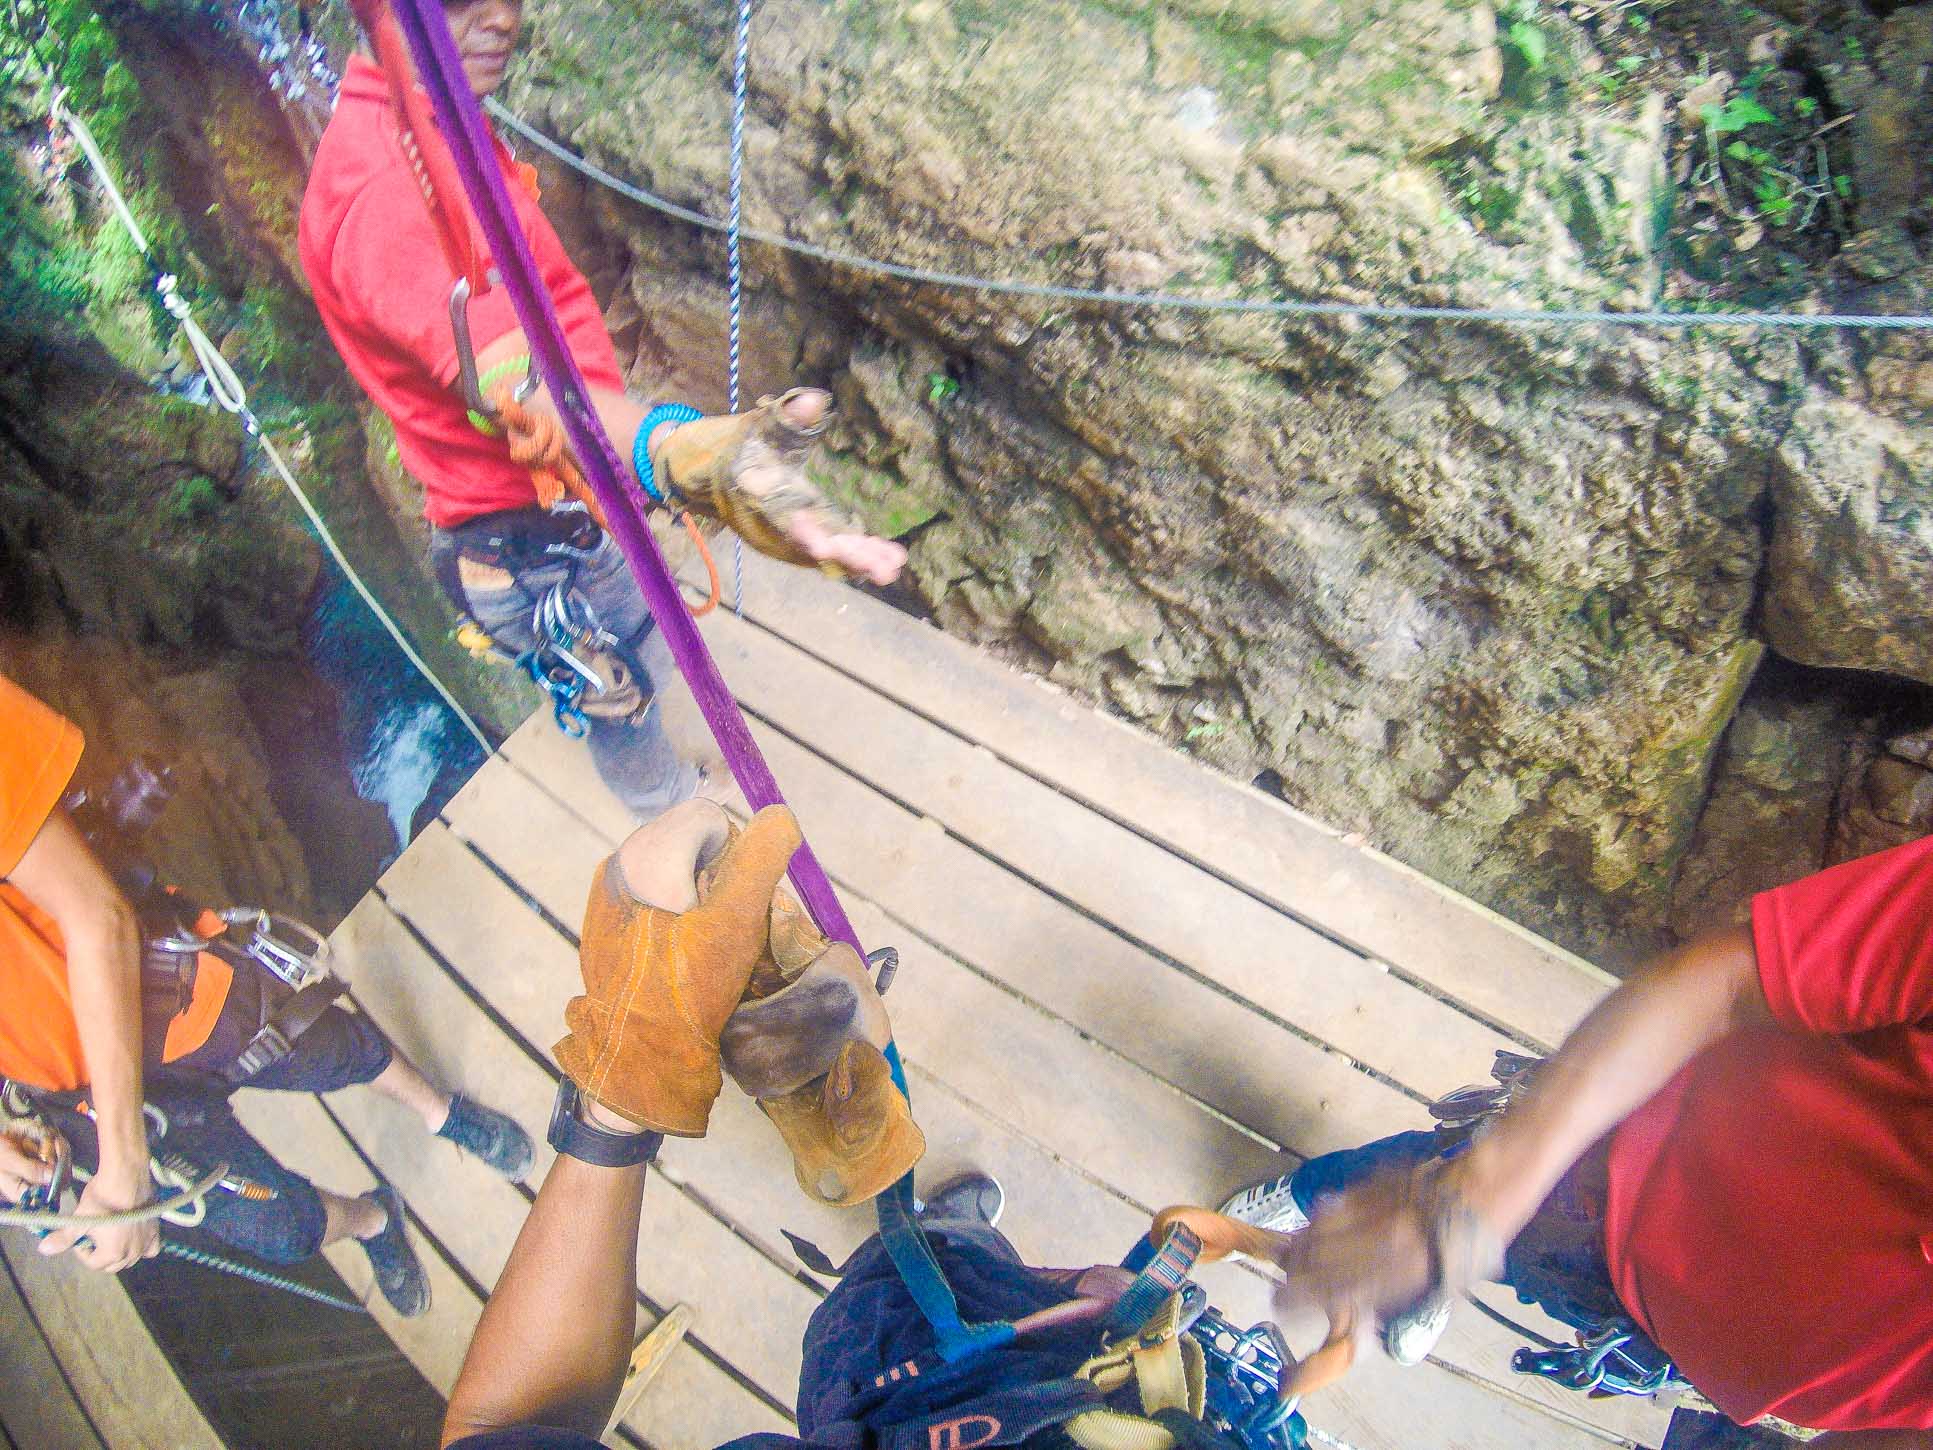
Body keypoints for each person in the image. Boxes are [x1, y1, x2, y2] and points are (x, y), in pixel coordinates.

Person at [432, 799, 1288, 1450]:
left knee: (900, 1278)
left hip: (871, 1383)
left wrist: (623, 1095)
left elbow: (504, 1426)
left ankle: (933, 1235)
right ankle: (941, 1236)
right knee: (942, 1268)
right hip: (1051, 1364)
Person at [297, 0, 908, 822]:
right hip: (531, 552)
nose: (502, 19)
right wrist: (685, 454)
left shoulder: (427, 119)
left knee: (634, 647)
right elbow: (529, 395)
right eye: (456, 3)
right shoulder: (390, 199)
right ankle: (672, 815)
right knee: (622, 691)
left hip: (549, 519)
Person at [1216, 838, 1933, 1448]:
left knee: (1441, 1235)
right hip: (1597, 1175)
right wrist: (1474, 1204)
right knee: (1401, 1176)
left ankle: (1447, 1259)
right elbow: (1729, 978)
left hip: (1664, 1349)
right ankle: (1315, 1191)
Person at [0, 672, 534, 1316]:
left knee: (325, 1047)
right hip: (66, 1096)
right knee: (278, 1229)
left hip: (157, 996)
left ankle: (440, 1111)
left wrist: (122, 1159)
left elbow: (96, 915)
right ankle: (373, 1221)